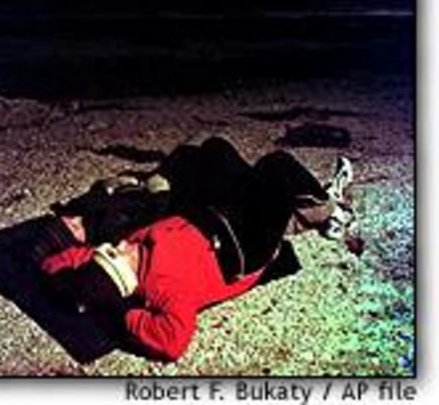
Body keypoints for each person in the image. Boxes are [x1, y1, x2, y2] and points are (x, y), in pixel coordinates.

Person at [32, 138, 360, 363]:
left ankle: (306, 212)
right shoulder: (164, 289)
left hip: (210, 218)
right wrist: (124, 315)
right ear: (125, 279)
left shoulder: (126, 251)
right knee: (276, 168)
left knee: (213, 150)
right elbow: (173, 342)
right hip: (240, 250)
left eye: (109, 248)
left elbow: (62, 262)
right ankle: (329, 211)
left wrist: (68, 286)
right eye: (116, 253)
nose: (118, 244)